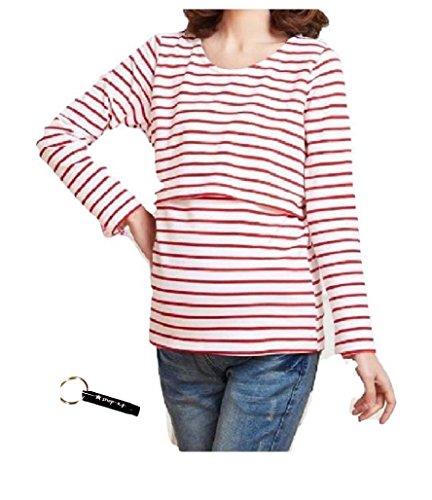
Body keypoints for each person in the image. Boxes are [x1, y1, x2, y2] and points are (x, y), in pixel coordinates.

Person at [35, 9, 396, 451]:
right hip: (179, 340)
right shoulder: (162, 58)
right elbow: (59, 137)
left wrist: (360, 344)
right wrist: (134, 218)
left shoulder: (313, 66)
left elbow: (332, 210)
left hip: (274, 344)